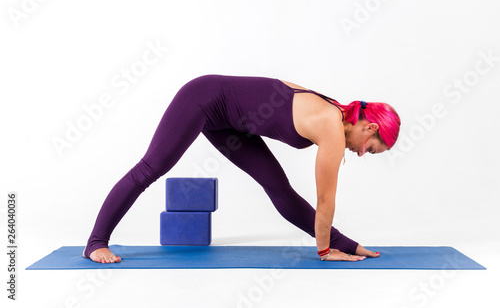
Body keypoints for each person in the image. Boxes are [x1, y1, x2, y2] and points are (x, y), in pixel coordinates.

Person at [82, 74, 400, 263]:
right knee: (151, 168)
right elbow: (326, 201)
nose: (361, 154)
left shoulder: (335, 111)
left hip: (230, 123)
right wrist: (325, 250)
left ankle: (340, 241)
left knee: (278, 187)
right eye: (369, 149)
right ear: (369, 128)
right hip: (202, 99)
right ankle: (96, 242)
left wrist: (345, 244)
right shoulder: (330, 125)